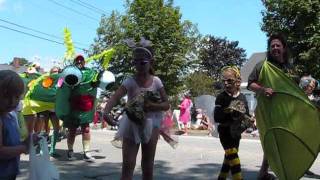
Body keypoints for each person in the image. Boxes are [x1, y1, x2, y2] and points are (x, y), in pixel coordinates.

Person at [103, 39, 170, 180]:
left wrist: (152, 106)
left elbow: (166, 104)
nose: (139, 65)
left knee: (148, 164)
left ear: (150, 62)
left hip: (152, 123)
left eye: (143, 62)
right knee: (128, 163)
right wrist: (106, 112)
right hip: (131, 123)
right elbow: (115, 97)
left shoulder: (156, 81)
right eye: (136, 62)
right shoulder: (130, 81)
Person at [247, 34, 292, 179]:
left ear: (284, 48)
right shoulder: (262, 66)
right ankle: (264, 172)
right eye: (272, 46)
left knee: (283, 142)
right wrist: (262, 89)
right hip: (268, 112)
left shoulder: (289, 68)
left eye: (278, 45)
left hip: (287, 111)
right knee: (272, 142)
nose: (275, 48)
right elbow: (250, 84)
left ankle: (268, 172)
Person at [55, 55, 98, 162]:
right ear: (74, 62)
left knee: (86, 129)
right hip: (72, 106)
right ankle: (70, 151)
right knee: (72, 130)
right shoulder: (68, 71)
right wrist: (62, 77)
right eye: (77, 60)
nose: (79, 61)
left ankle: (87, 152)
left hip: (85, 105)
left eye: (81, 60)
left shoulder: (91, 73)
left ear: (84, 62)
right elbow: (59, 86)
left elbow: (96, 84)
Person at [214, 66, 249, 180]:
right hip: (224, 132)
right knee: (233, 158)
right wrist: (228, 110)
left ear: (237, 81)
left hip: (236, 132)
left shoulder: (242, 97)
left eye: (229, 80)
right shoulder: (221, 97)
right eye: (224, 81)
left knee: (228, 159)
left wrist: (249, 120)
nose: (226, 83)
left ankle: (221, 177)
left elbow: (246, 114)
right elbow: (217, 117)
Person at [0, 70, 29, 180]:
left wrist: (27, 142)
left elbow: (10, 144)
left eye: (17, 97)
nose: (12, 101)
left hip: (10, 172)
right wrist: (24, 147)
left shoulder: (12, 115)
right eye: (6, 96)